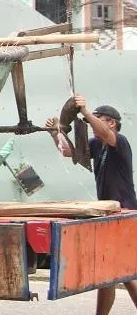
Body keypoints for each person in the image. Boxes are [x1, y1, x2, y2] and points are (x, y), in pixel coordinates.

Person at [45, 94, 137, 314]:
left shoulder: (118, 141)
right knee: (114, 274)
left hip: (125, 213)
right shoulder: (97, 145)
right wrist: (55, 132)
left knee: (119, 273)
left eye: (98, 119)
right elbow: (68, 151)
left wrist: (85, 112)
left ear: (111, 123)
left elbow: (105, 133)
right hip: (110, 214)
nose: (89, 124)